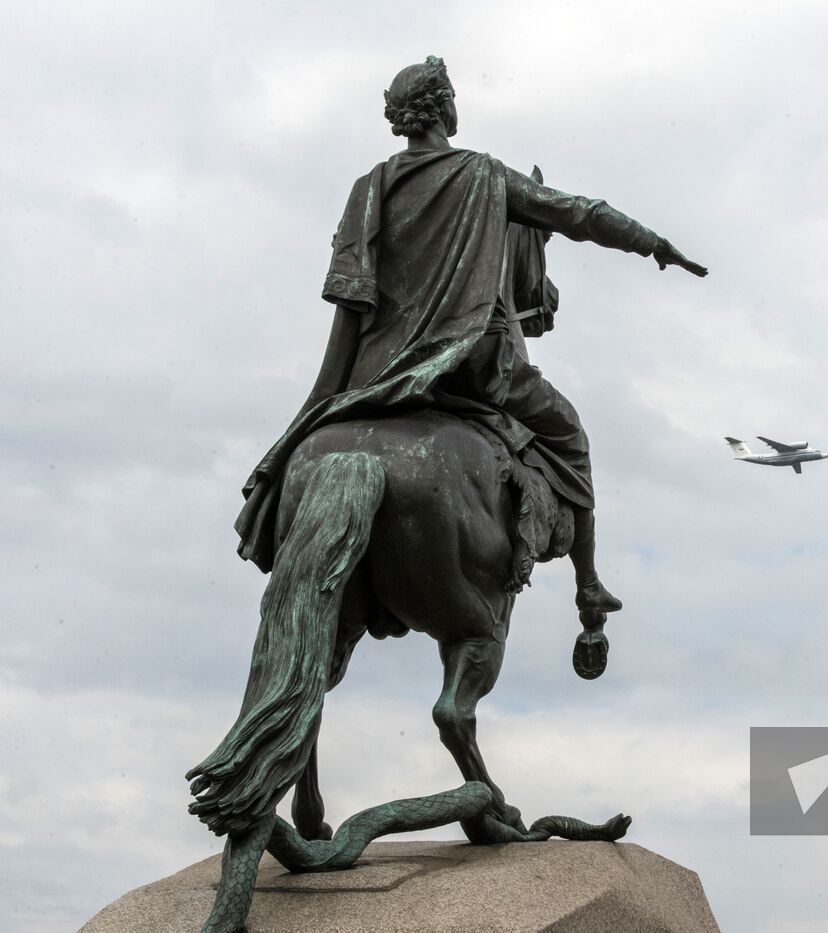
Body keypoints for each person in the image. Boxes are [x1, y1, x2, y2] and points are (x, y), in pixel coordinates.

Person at [235, 55, 706, 615]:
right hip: (476, 364)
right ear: (441, 107)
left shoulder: (369, 187)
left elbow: (354, 298)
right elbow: (577, 213)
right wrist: (650, 241)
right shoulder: (483, 174)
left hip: (378, 370)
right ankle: (587, 586)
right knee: (572, 434)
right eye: (453, 95)